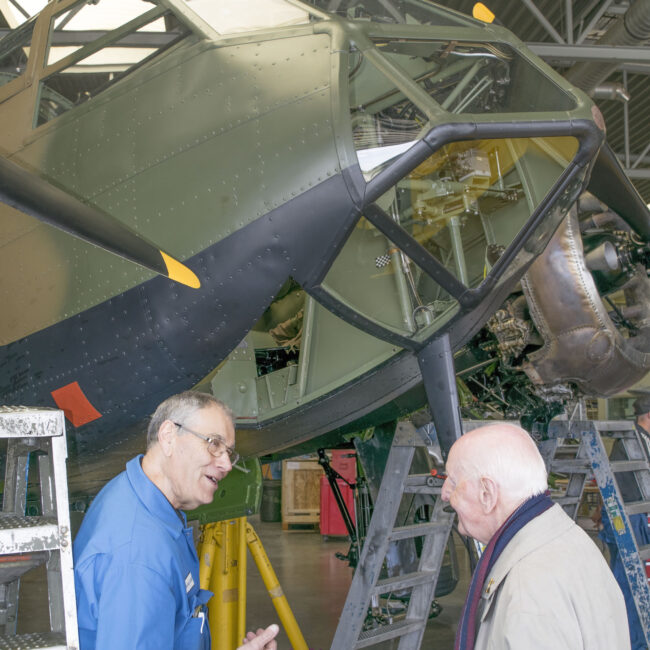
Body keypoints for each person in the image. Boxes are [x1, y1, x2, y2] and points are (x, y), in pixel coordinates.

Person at [73, 391, 278, 650]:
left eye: (228, 452)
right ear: (168, 437)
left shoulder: (141, 498)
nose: (226, 464)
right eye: (214, 443)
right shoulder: (140, 557)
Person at [441, 422, 630, 650]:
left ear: (487, 493)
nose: (444, 494)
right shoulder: (565, 539)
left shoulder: (528, 591)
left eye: (452, 481)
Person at [597, 393, 650, 650]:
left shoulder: (642, 440)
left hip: (636, 516)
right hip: (627, 520)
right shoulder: (632, 443)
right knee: (629, 584)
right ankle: (630, 642)